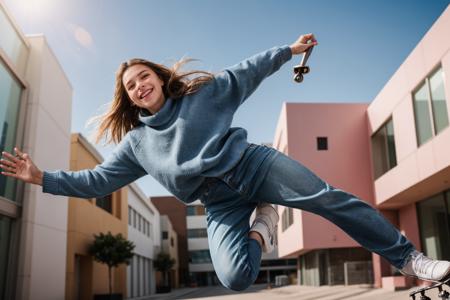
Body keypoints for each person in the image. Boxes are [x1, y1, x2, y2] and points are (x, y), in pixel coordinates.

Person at [1, 33, 449, 291]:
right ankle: (264, 224)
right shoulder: (137, 144)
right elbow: (97, 181)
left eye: (144, 77)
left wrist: (288, 52)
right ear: (129, 98)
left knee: (328, 199)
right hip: (219, 204)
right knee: (235, 277)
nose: (140, 86)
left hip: (253, 166)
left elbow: (247, 69)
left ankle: (411, 259)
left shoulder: (203, 95)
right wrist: (42, 177)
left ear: (158, 77)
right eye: (131, 85)